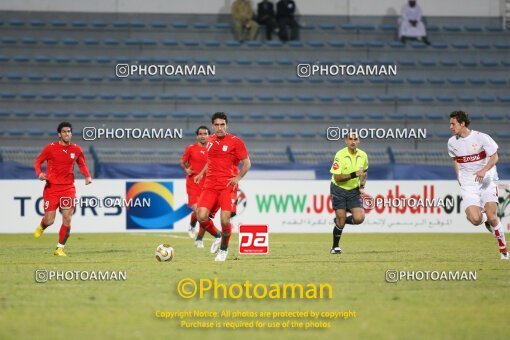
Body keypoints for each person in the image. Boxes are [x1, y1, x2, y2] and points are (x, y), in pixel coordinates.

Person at [447, 111, 508, 260]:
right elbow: (454, 159)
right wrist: (458, 175)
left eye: (453, 124)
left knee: (493, 215)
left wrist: (484, 170)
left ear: (462, 124)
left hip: (487, 178)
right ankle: (487, 220)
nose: (450, 127)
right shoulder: (451, 142)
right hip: (468, 183)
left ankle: (504, 252)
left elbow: (495, 157)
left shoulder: (481, 138)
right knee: (475, 219)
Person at [196, 112, 251, 261]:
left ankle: (223, 250)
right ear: (212, 126)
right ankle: (218, 236)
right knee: (201, 216)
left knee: (225, 220)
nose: (219, 128)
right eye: (216, 125)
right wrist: (202, 174)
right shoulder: (210, 141)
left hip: (227, 186)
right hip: (210, 185)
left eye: (222, 125)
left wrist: (238, 177)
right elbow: (211, 161)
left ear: (227, 125)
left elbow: (247, 163)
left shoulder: (235, 141)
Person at [33, 122, 92, 256]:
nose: (67, 134)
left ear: (71, 133)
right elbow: (37, 162)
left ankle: (59, 248)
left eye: (69, 131)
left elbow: (82, 164)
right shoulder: (50, 148)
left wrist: (87, 176)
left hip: (68, 189)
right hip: (52, 188)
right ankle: (42, 226)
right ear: (59, 134)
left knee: (67, 217)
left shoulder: (76, 149)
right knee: (50, 220)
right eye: (64, 131)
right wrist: (40, 174)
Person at [329, 132, 368, 255]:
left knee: (359, 218)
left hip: (353, 191)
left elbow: (364, 173)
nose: (353, 141)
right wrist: (353, 174)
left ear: (359, 141)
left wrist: (361, 186)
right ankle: (335, 247)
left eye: (355, 139)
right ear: (346, 141)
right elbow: (337, 178)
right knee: (341, 217)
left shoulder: (363, 155)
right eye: (350, 139)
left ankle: (342, 220)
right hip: (338, 189)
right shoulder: (340, 155)